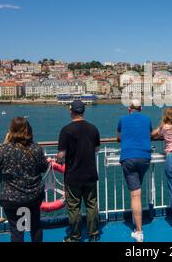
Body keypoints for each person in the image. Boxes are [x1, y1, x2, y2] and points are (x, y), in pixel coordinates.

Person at [0, 117, 47, 242]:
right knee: (35, 226)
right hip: (33, 195)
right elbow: (44, 167)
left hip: (12, 198)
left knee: (17, 231)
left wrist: (5, 143)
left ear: (11, 132)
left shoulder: (6, 149)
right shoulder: (35, 148)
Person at [57, 100, 100, 242]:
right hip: (90, 174)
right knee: (91, 204)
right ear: (83, 112)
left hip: (73, 175)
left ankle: (75, 236)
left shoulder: (65, 130)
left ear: (72, 112)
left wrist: (57, 160)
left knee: (74, 207)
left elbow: (62, 155)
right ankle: (93, 234)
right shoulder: (93, 128)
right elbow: (96, 150)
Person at [117, 99, 153, 242]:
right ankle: (137, 222)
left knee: (135, 195)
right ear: (141, 108)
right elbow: (149, 134)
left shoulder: (123, 119)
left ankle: (139, 231)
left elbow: (118, 137)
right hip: (144, 157)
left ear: (129, 109)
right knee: (138, 191)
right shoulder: (147, 119)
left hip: (128, 158)